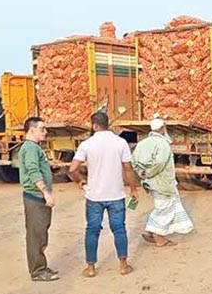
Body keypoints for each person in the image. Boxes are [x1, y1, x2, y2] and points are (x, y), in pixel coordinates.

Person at [69, 112, 138, 278]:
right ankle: (123, 265)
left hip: (94, 196)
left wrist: (81, 181)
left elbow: (72, 169)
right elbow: (128, 169)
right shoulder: (120, 143)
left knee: (92, 230)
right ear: (108, 125)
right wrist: (133, 189)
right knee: (119, 229)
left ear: (94, 126)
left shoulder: (87, 144)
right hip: (116, 195)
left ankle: (91, 267)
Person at [132, 115, 194, 247]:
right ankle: (160, 238)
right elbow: (160, 162)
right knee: (164, 208)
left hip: (150, 182)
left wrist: (142, 173)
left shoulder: (142, 143)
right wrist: (149, 172)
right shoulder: (162, 144)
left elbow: (134, 161)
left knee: (164, 206)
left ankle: (150, 230)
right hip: (163, 182)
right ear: (162, 129)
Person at [18, 116, 58, 281]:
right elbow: (33, 170)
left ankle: (41, 266)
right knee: (36, 235)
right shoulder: (30, 148)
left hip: (37, 196)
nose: (45, 132)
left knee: (41, 233)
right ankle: (37, 271)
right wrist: (45, 192)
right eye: (42, 128)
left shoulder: (34, 148)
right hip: (35, 197)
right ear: (32, 129)